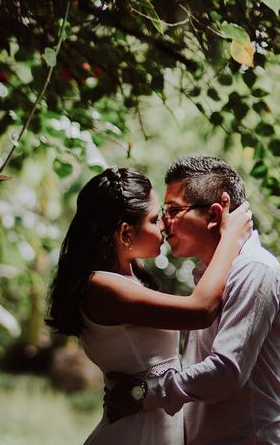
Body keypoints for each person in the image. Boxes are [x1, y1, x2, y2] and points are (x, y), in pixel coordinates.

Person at [45, 166, 253, 445]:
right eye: (155, 219)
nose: (165, 225)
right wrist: (230, 238)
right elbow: (200, 310)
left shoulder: (129, 278)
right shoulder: (102, 287)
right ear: (126, 234)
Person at [106, 156, 280, 445]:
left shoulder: (254, 269)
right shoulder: (209, 276)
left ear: (215, 215)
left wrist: (145, 392)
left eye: (173, 210)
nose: (164, 224)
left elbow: (226, 371)